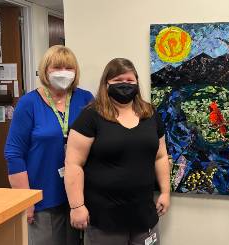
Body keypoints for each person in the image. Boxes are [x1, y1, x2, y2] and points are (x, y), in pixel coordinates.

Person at [64, 58, 170, 245]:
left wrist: (165, 192)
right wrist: (77, 206)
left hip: (144, 215)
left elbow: (160, 156)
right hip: (104, 219)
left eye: (130, 81)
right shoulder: (91, 116)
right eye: (118, 80)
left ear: (137, 83)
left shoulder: (150, 114)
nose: (125, 85)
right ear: (106, 84)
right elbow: (73, 164)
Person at [4, 45, 94, 245]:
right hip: (43, 199)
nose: (63, 73)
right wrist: (25, 201)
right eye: (57, 68)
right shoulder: (29, 103)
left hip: (81, 196)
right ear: (45, 70)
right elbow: (14, 154)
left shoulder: (85, 99)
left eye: (68, 68)